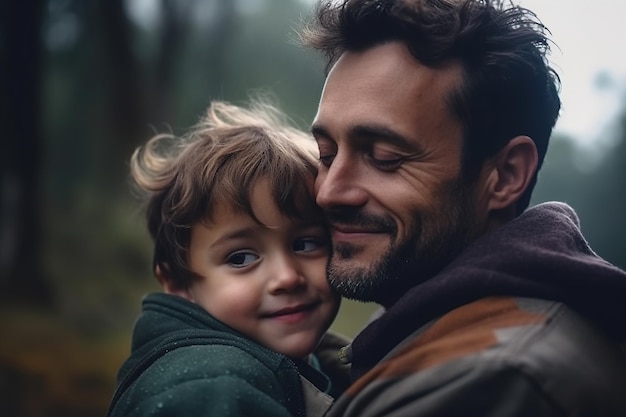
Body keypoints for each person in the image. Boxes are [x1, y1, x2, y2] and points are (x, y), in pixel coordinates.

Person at [299, 0, 626, 415]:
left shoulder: (490, 381)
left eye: (384, 157)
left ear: (506, 175)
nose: (329, 192)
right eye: (326, 154)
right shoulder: (431, 328)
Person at [107, 99, 350, 417]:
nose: (288, 277)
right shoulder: (213, 387)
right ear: (179, 284)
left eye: (305, 244)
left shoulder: (332, 367)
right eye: (240, 258)